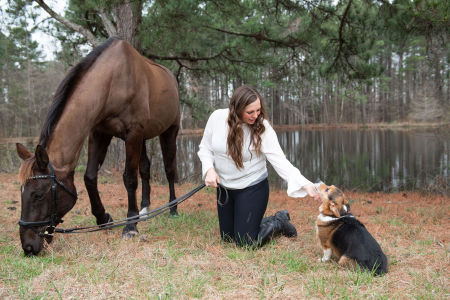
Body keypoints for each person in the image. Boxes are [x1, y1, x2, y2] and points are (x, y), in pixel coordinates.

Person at [197, 85, 320, 247]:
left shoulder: (263, 128)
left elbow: (280, 160)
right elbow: (205, 148)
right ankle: (266, 219)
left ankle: (279, 222)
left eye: (258, 110)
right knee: (227, 237)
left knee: (245, 242)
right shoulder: (216, 118)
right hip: (225, 188)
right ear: (237, 108)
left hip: (252, 187)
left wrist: (304, 183)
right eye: (250, 112)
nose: (256, 116)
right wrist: (209, 169)